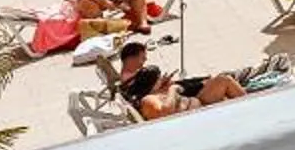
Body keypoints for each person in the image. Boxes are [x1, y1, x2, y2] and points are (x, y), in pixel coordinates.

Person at [113, 37, 274, 118]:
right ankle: (255, 107)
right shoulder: (147, 100)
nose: (145, 61)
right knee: (224, 81)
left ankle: (249, 101)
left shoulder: (145, 91)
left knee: (223, 80)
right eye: (158, 80)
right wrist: (172, 89)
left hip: (196, 104)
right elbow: (163, 111)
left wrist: (163, 87)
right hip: (199, 111)